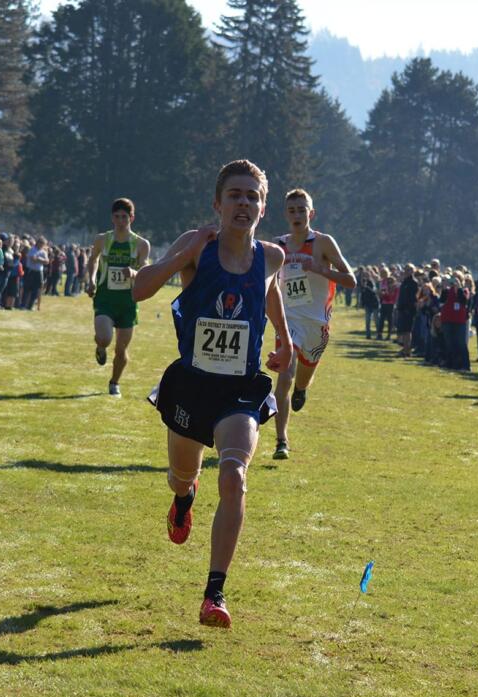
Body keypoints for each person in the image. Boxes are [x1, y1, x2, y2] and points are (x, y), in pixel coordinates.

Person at [133, 159, 291, 629]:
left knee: (234, 476)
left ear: (262, 208)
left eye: (253, 197)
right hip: (192, 384)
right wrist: (177, 259)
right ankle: (183, 499)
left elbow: (268, 292)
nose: (244, 204)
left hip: (240, 389)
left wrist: (282, 338)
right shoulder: (196, 245)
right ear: (217, 204)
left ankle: (214, 593)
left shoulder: (272, 256)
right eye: (235, 195)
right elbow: (141, 289)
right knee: (182, 475)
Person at [270, 188, 355, 460]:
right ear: (285, 214)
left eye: (302, 210)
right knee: (284, 377)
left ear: (311, 213)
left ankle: (302, 390)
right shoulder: (277, 247)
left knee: (301, 379)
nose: (297, 215)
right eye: (292, 210)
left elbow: (350, 279)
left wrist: (320, 269)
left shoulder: (323, 243)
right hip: (288, 322)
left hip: (317, 325)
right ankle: (282, 440)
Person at [86, 198, 150, 397]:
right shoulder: (102, 239)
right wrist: (91, 280)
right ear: (112, 218)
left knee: (121, 350)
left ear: (131, 218)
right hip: (105, 298)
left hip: (128, 302)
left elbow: (145, 269)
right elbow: (93, 260)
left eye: (124, 217)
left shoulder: (140, 244)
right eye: (117, 217)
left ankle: (114, 382)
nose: (120, 221)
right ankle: (99, 346)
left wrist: (133, 272)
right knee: (105, 338)